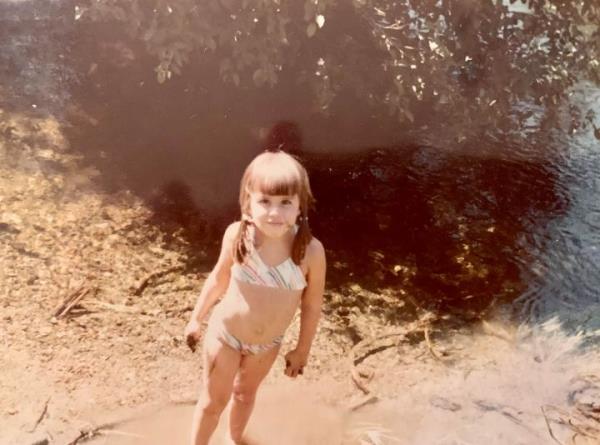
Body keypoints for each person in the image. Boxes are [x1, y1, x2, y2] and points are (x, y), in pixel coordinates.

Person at [184, 150, 326, 445]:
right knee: (213, 403)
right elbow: (219, 278)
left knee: (245, 396)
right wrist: (197, 318)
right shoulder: (239, 236)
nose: (275, 213)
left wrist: (302, 350)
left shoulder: (310, 252)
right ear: (249, 200)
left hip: (267, 345)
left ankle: (234, 440)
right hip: (226, 336)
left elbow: (312, 305)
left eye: (285, 202)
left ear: (301, 203)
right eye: (265, 202)